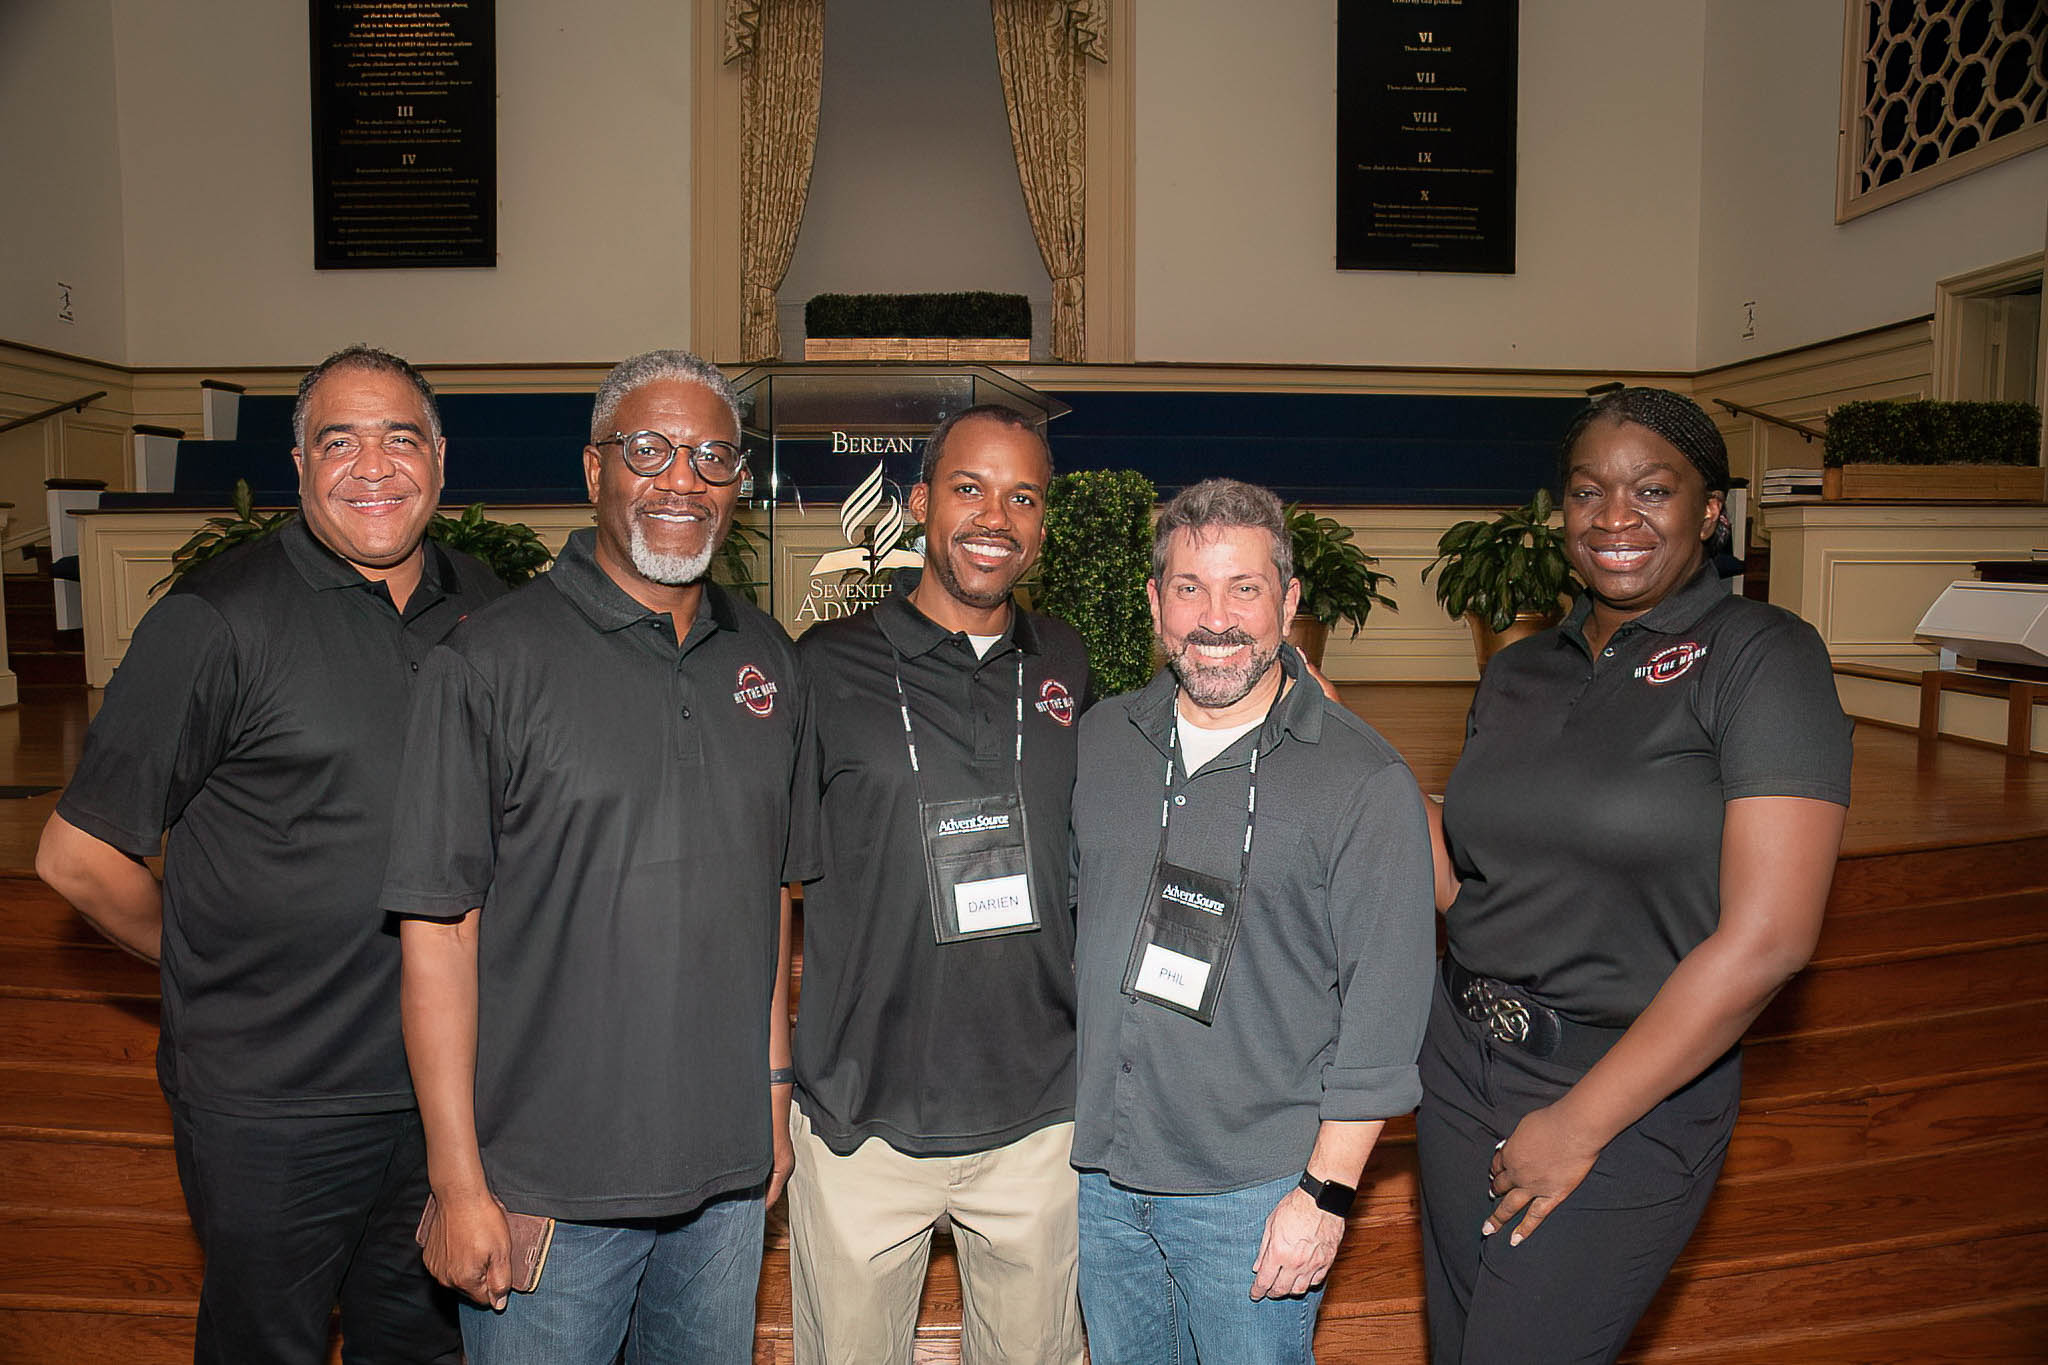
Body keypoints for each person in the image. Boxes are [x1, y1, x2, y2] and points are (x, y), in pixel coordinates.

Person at [35, 345, 499, 1364]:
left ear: (440, 458)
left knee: (422, 1348)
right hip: (272, 1104)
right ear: (297, 465)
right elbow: (75, 857)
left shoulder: (487, 604)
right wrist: (189, 952)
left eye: (399, 438)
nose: (372, 467)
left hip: (448, 1094)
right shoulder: (215, 620)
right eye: (340, 442)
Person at [382, 349, 818, 1364]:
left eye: (712, 456)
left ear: (739, 484)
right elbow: (436, 938)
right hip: (545, 1190)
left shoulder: (767, 661)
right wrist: (457, 1184)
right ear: (594, 472)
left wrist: (771, 1107)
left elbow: (771, 903)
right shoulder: (488, 660)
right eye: (650, 449)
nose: (682, 478)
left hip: (721, 1182)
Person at [1417, 387, 1852, 1365]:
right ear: (1557, 512)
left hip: (1620, 1091)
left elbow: (1771, 938)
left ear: (1708, 511)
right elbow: (1467, 882)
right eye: (1586, 492)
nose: (1614, 518)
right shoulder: (1519, 670)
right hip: (1457, 1064)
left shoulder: (1760, 658)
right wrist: (1323, 742)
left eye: (1651, 490)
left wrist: (1576, 1125)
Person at [1068, 477, 1435, 1364]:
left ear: (1289, 602)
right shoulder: (1102, 740)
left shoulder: (1361, 779)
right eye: (1190, 588)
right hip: (1103, 1176)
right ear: (1156, 605)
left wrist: (1325, 1196)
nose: (1216, 618)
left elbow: (1384, 1016)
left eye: (1245, 588)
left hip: (1258, 1193)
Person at [787, 405, 1091, 1365]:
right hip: (861, 1124)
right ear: (920, 503)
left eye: (1022, 496)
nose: (994, 515)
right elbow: (772, 890)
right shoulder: (822, 668)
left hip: (1039, 1123)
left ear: (1043, 523)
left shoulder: (1068, 663)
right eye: (969, 487)